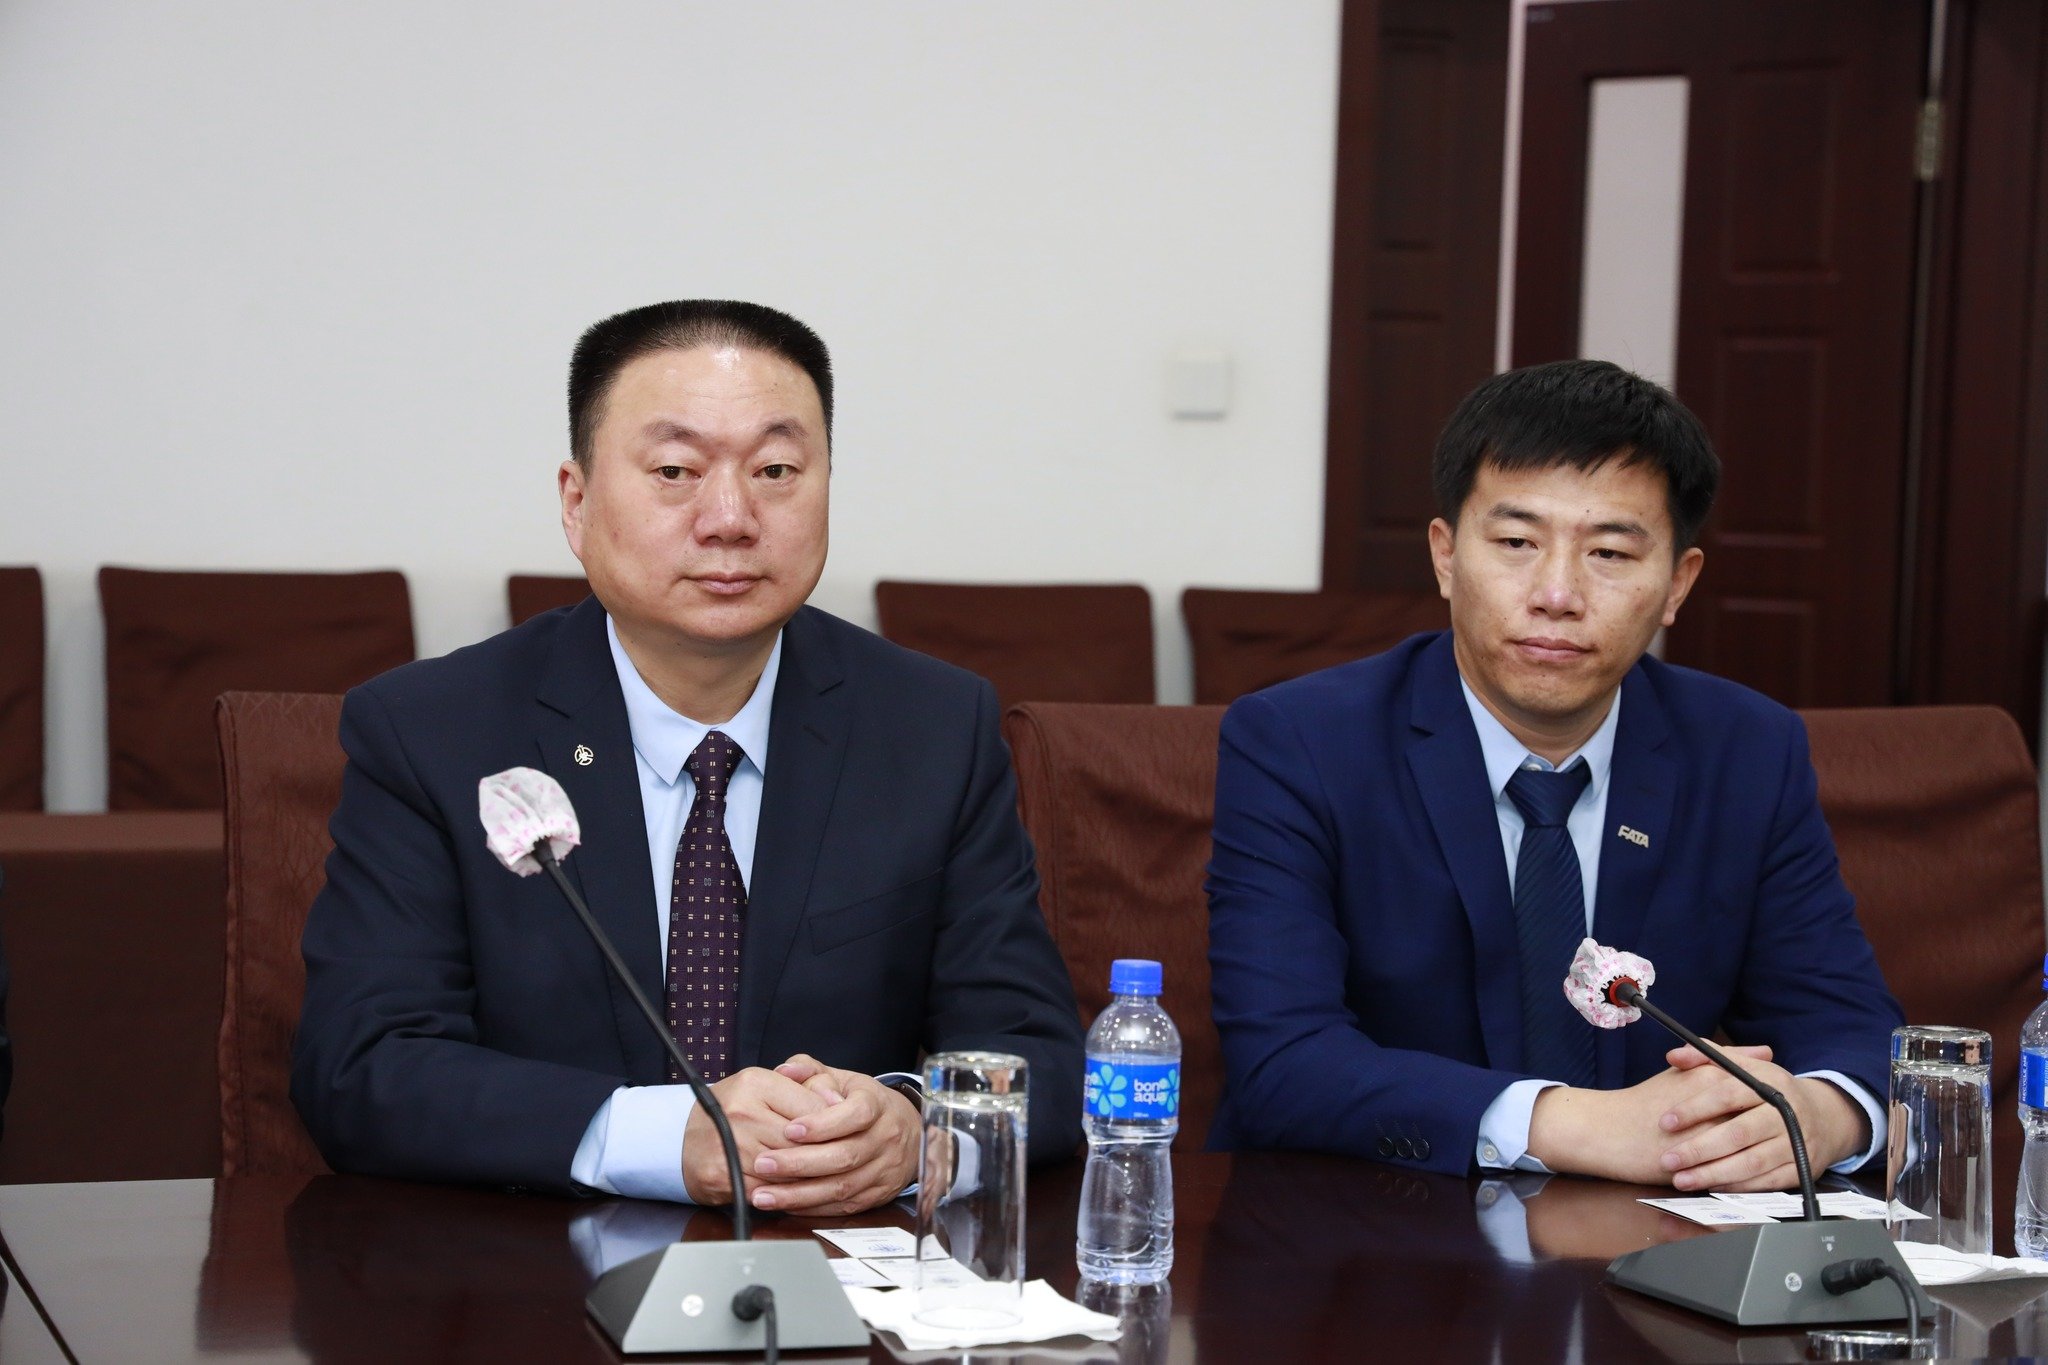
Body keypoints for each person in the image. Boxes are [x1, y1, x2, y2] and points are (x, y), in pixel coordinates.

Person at [294, 300, 1083, 1215]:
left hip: (834, 1268)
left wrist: (918, 1127)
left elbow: (1040, 1055)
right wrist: (664, 1136)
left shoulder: (932, 725)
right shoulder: (433, 731)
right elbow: (362, 1066)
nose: (731, 517)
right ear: (577, 502)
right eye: (675, 471)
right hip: (530, 1265)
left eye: (777, 470)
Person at [1205, 359, 1901, 1191]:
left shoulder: (1746, 749)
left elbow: (1851, 1026)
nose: (1557, 593)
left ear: (1677, 584)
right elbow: (1282, 1061)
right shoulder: (1300, 741)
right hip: (1373, 1227)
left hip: (1658, 1236)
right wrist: (1576, 1124)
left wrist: (1822, 1113)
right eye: (1516, 543)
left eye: (1609, 551)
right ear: (1445, 557)